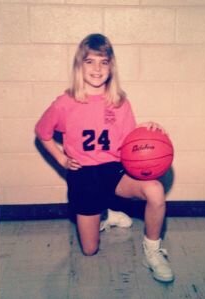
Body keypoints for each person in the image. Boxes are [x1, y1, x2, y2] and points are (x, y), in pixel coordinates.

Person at [35, 33, 174, 283]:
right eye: (90, 61)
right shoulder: (65, 103)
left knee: (155, 191)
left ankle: (152, 252)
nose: (97, 68)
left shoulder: (119, 102)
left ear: (111, 67)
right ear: (79, 65)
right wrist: (62, 160)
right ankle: (105, 215)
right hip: (84, 174)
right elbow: (42, 132)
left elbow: (130, 143)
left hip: (114, 170)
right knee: (89, 250)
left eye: (104, 62)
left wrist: (147, 129)